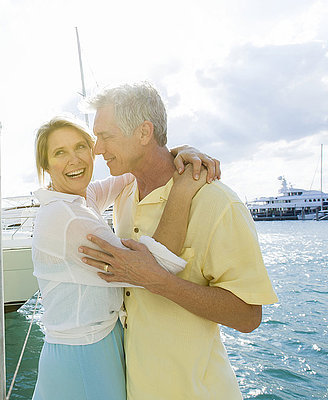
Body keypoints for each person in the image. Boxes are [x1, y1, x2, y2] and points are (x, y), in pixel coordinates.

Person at [79, 82, 278, 399]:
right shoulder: (124, 195)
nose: (98, 149)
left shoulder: (218, 203)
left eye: (106, 137)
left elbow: (248, 316)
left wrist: (159, 280)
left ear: (144, 133)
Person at [30, 115, 219, 400]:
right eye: (59, 153)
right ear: (46, 166)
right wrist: (183, 188)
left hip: (94, 343)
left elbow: (126, 175)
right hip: (84, 356)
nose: (74, 160)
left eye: (80, 146)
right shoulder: (68, 218)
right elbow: (153, 268)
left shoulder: (78, 199)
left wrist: (177, 153)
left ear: (92, 150)